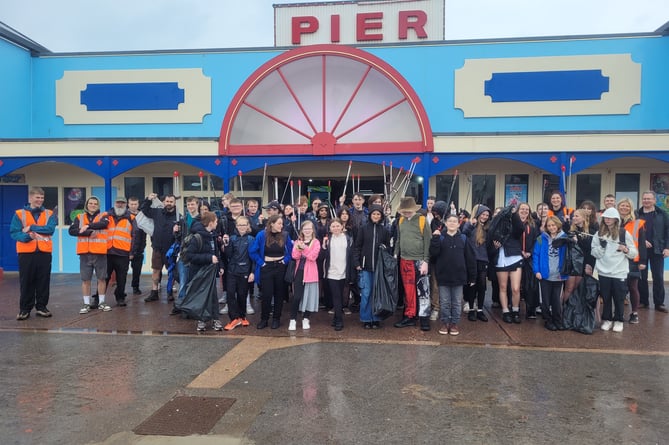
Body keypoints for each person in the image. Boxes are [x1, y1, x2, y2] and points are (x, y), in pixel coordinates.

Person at [10, 186, 58, 320]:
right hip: (26, 253)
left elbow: (50, 229)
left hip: (44, 252)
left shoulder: (49, 213)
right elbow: (15, 232)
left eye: (42, 198)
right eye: (37, 197)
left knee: (43, 280)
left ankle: (42, 307)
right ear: (30, 198)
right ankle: (25, 309)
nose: (40, 200)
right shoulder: (19, 214)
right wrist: (27, 237)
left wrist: (31, 227)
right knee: (26, 281)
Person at [591, 207, 637, 332]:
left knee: (619, 297)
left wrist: (625, 249)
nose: (607, 220)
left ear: (616, 219)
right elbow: (594, 252)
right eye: (605, 217)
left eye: (610, 217)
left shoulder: (623, 233)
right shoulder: (598, 234)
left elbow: (634, 253)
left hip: (619, 271)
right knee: (606, 297)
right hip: (603, 271)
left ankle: (618, 320)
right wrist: (602, 247)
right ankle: (607, 319)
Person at [430, 214, 476, 336]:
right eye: (449, 221)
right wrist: (434, 239)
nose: (452, 223)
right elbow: (433, 254)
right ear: (445, 223)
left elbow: (470, 259)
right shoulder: (440, 238)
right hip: (443, 276)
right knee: (444, 302)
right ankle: (445, 322)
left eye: (454, 221)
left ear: (458, 223)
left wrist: (472, 276)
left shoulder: (464, 238)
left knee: (456, 302)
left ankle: (454, 323)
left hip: (459, 276)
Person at [393, 197, 432, 331]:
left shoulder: (422, 220)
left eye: (408, 211)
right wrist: (395, 254)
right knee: (408, 290)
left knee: (423, 291)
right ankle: (410, 315)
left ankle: (424, 319)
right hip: (405, 260)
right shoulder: (401, 221)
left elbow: (428, 241)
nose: (406, 214)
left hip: (420, 260)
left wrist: (426, 261)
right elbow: (399, 239)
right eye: (404, 211)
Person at [249, 214, 293, 329]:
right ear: (272, 224)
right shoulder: (261, 235)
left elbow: (292, 251)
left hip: (280, 267)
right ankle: (264, 319)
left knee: (279, 294)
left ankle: (276, 319)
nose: (281, 226)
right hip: (266, 267)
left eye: (282, 224)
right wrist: (261, 263)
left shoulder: (285, 235)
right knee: (266, 295)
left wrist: (285, 261)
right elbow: (253, 251)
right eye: (279, 223)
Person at [69, 196, 112, 313]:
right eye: (91, 203)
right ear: (87, 205)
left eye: (95, 204)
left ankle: (102, 302)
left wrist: (88, 226)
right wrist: (88, 233)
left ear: (98, 206)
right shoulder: (79, 217)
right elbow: (72, 231)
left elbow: (104, 224)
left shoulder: (104, 215)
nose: (93, 205)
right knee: (85, 280)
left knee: (102, 278)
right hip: (85, 254)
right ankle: (86, 304)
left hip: (100, 253)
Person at [183, 211, 224, 332]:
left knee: (213, 296)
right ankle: (201, 320)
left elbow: (216, 253)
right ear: (211, 223)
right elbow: (190, 256)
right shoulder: (197, 238)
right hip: (199, 273)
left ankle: (215, 319)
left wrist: (220, 266)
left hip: (210, 272)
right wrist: (208, 258)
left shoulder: (213, 236)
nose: (217, 223)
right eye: (216, 221)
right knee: (202, 296)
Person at [353, 204, 391, 329]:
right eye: (374, 214)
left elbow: (388, 248)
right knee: (366, 293)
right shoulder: (363, 229)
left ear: (381, 216)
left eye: (378, 214)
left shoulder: (385, 230)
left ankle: (376, 318)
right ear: (370, 215)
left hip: (379, 268)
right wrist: (357, 263)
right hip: (365, 267)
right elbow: (357, 247)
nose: (376, 216)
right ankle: (366, 318)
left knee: (377, 293)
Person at [487, 205, 525, 323]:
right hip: (500, 259)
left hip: (514, 257)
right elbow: (489, 246)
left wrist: (513, 214)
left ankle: (515, 310)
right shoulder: (492, 228)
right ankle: (505, 311)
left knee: (515, 288)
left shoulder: (512, 226)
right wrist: (494, 247)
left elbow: (520, 228)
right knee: (502, 287)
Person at [140, 193, 180, 302]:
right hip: (157, 247)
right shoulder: (157, 212)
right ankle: (154, 292)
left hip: (170, 250)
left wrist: (177, 232)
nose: (169, 204)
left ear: (174, 203)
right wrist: (148, 199)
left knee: (171, 272)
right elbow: (144, 209)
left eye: (171, 202)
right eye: (167, 201)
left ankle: (169, 292)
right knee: (156, 270)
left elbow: (181, 235)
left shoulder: (178, 217)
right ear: (163, 202)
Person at [533, 216, 568, 331]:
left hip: (558, 274)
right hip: (545, 274)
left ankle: (557, 320)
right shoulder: (540, 238)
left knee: (556, 300)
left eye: (553, 225)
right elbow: (536, 255)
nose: (551, 227)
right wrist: (536, 270)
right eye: (549, 226)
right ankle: (548, 320)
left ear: (558, 225)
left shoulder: (564, 238)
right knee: (546, 300)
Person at [636, 191, 669, 313]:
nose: (646, 201)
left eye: (649, 199)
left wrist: (667, 247)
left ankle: (659, 303)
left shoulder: (662, 214)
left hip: (658, 250)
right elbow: (633, 232)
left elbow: (667, 231)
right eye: (644, 199)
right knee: (641, 277)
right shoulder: (637, 214)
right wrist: (642, 241)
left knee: (658, 277)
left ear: (654, 200)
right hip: (641, 250)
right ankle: (643, 301)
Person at [222, 216, 255, 330]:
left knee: (242, 294)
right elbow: (228, 255)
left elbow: (253, 257)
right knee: (230, 294)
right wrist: (226, 244)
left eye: (244, 225)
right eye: (240, 225)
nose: (242, 227)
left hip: (245, 271)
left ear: (247, 226)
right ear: (236, 226)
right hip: (232, 271)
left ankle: (242, 316)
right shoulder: (232, 238)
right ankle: (234, 318)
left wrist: (252, 272)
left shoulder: (251, 239)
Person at [617, 198, 647, 324]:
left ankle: (634, 313)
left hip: (632, 259)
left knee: (633, 287)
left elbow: (641, 244)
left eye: (627, 206)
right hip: (617, 259)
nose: (624, 208)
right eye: (622, 206)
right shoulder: (613, 221)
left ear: (630, 208)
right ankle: (618, 313)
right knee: (619, 288)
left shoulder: (637, 223)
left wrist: (642, 261)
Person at [288, 220, 321, 331]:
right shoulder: (298, 241)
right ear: (301, 230)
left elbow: (313, 257)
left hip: (311, 273)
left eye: (309, 228)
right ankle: (293, 319)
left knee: (309, 297)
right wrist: (299, 248)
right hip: (299, 272)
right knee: (297, 297)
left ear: (312, 230)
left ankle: (306, 318)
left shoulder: (316, 242)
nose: (307, 231)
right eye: (305, 229)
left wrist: (304, 249)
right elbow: (295, 256)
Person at [461, 204, 492, 322]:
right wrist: (470, 223)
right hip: (471, 259)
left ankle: (480, 309)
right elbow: (464, 232)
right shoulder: (471, 226)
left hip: (483, 260)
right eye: (483, 214)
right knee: (471, 284)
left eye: (487, 215)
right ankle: (471, 308)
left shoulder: (488, 228)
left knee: (482, 285)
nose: (484, 217)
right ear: (478, 215)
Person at [322, 218, 353, 331]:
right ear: (330, 228)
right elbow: (324, 255)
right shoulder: (328, 239)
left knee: (340, 295)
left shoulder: (348, 238)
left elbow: (351, 255)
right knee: (336, 296)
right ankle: (339, 320)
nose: (335, 228)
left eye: (337, 226)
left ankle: (336, 318)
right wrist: (324, 245)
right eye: (333, 226)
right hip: (332, 272)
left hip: (344, 272)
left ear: (342, 227)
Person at [560, 209, 596, 305]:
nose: (574, 218)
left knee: (577, 288)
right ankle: (564, 311)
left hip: (584, 264)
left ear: (584, 218)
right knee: (569, 288)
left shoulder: (591, 232)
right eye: (573, 216)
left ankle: (573, 312)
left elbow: (589, 249)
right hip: (572, 263)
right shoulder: (571, 231)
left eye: (577, 216)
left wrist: (590, 265)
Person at [104, 196, 135, 307]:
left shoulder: (131, 218)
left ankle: (120, 297)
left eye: (122, 203)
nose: (120, 205)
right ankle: (98, 299)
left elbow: (134, 236)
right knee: (104, 277)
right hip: (107, 252)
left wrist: (131, 252)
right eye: (118, 203)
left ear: (126, 205)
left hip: (123, 253)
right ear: (114, 203)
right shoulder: (106, 216)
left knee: (122, 278)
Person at [128, 197, 146, 296]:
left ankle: (135, 287)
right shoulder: (125, 216)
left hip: (139, 248)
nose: (133, 206)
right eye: (131, 204)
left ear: (138, 204)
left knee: (137, 270)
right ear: (128, 204)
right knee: (122, 271)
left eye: (135, 204)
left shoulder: (142, 215)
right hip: (126, 247)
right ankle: (120, 288)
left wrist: (143, 246)